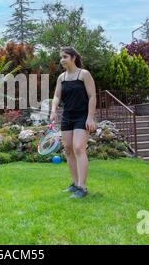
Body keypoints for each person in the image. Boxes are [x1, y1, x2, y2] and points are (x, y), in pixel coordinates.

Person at [50, 47, 97, 199]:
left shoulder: (84, 74)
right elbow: (57, 96)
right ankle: (75, 184)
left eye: (65, 57)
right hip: (67, 117)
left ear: (73, 57)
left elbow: (92, 96)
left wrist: (90, 117)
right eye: (61, 57)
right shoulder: (61, 78)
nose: (62, 60)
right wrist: (53, 110)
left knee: (78, 148)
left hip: (82, 116)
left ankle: (82, 188)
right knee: (69, 150)